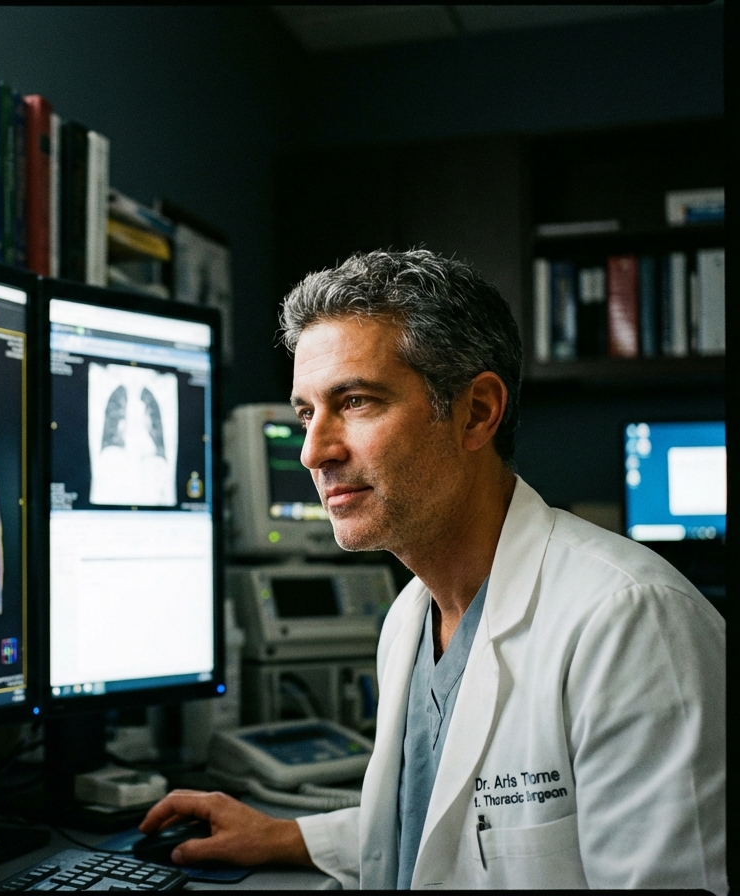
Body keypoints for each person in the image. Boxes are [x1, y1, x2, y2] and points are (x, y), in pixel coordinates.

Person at [140, 249, 726, 891]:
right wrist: (286, 834)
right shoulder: (408, 619)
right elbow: (441, 821)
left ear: (476, 412)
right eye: (307, 412)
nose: (313, 451)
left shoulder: (632, 621)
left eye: (356, 401)